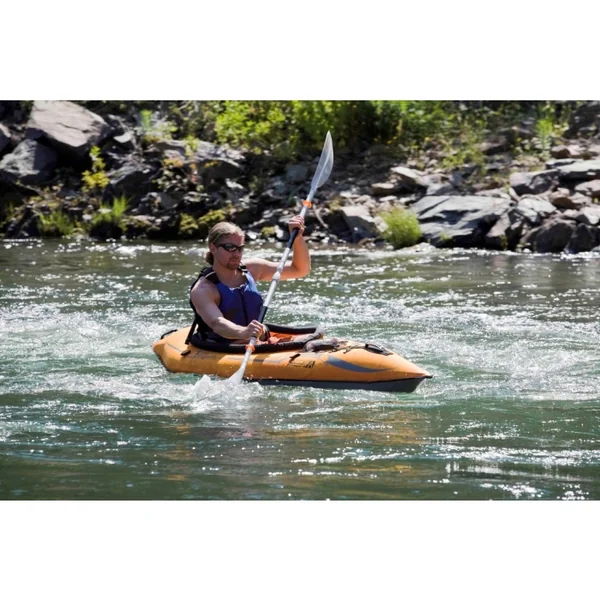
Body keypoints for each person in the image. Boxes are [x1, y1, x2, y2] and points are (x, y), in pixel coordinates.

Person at [189, 214, 310, 344]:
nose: (237, 254)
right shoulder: (203, 290)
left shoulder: (252, 269)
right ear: (213, 248)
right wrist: (244, 332)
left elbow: (299, 270)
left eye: (240, 248)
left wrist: (297, 238)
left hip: (258, 340)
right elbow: (217, 323)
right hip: (224, 346)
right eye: (230, 248)